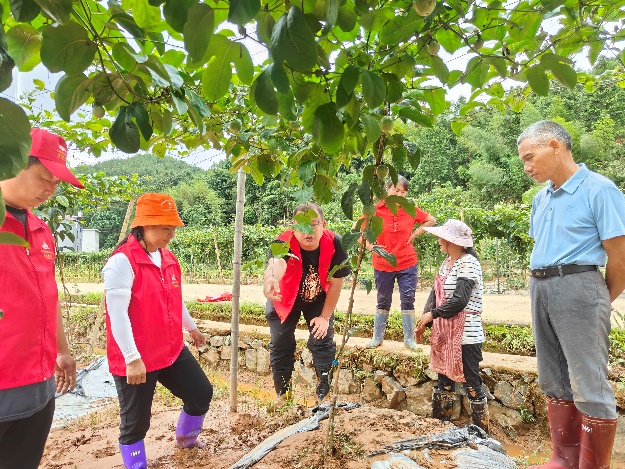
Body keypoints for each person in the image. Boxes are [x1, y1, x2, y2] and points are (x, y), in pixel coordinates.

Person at [517, 121, 625, 469]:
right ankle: (563, 458)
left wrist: (598, 300)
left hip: (579, 285)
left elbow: (620, 257)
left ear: (555, 145)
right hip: (542, 286)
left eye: (530, 158)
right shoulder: (541, 198)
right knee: (553, 376)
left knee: (587, 380)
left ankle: (592, 465)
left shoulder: (600, 190)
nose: (527, 168)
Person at [102, 193, 213, 469]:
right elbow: (116, 314)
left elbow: (175, 299)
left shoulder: (168, 258)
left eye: (173, 227)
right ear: (143, 225)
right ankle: (137, 466)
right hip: (137, 358)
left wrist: (192, 328)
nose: (171, 233)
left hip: (170, 349)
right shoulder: (121, 262)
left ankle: (187, 439)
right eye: (165, 227)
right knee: (136, 423)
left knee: (201, 392)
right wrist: (131, 357)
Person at [0, 128, 83, 468]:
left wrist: (62, 351)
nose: (50, 189)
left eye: (57, 182)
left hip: (38, 387)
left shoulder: (40, 230)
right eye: (43, 177)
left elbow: (48, 298)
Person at [263, 203, 350, 409]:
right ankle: (283, 396)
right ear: (293, 227)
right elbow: (275, 264)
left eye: (314, 225)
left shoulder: (337, 244)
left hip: (319, 298)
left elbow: (336, 284)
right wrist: (270, 281)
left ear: (323, 225)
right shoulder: (282, 242)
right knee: (281, 344)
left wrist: (325, 317)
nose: (308, 232)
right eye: (302, 226)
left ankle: (324, 396)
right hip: (284, 298)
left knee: (323, 340)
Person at [415, 219, 488, 432]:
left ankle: (481, 432)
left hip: (466, 332)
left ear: (452, 241)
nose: (438, 241)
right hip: (445, 331)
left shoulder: (468, 263)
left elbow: (459, 301)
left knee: (472, 382)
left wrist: (433, 315)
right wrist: (424, 319)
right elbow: (435, 294)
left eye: (442, 237)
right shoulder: (448, 261)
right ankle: (440, 427)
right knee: (444, 380)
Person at [365, 176, 436, 349]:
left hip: (407, 262)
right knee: (383, 300)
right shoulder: (375, 210)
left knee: (408, 300)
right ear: (387, 190)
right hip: (383, 263)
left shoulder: (410, 208)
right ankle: (377, 338)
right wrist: (369, 246)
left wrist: (414, 234)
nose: (399, 194)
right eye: (396, 190)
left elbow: (431, 220)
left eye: (403, 192)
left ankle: (409, 340)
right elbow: (359, 229)